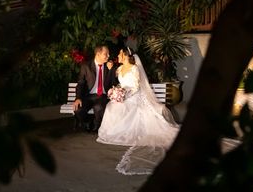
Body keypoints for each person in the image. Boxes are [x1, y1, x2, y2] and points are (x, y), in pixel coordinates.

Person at [97, 47, 180, 175]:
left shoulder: (134, 68)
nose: (117, 56)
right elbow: (117, 84)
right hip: (123, 95)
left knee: (124, 107)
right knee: (111, 107)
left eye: (119, 54)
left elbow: (136, 87)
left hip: (133, 96)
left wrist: (124, 95)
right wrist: (117, 92)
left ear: (124, 55)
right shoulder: (119, 69)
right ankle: (114, 131)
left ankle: (124, 130)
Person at [73, 45, 117, 132]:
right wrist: (78, 98)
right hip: (88, 96)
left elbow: (113, 83)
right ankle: (88, 122)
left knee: (99, 107)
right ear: (98, 54)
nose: (108, 56)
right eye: (106, 54)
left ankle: (97, 126)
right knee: (78, 110)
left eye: (108, 54)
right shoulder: (86, 66)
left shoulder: (109, 66)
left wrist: (111, 70)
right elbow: (81, 83)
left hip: (102, 96)